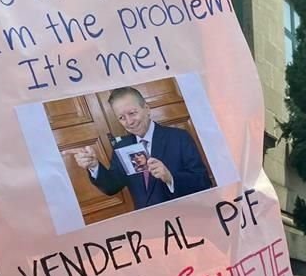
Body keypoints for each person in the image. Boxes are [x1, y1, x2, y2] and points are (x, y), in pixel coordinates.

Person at [73, 87, 211, 209]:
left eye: (132, 113)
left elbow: (203, 182)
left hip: (185, 219)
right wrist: (94, 166)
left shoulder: (179, 137)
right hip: (148, 228)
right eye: (121, 117)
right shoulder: (122, 147)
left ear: (147, 109)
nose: (129, 122)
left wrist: (170, 178)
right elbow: (112, 187)